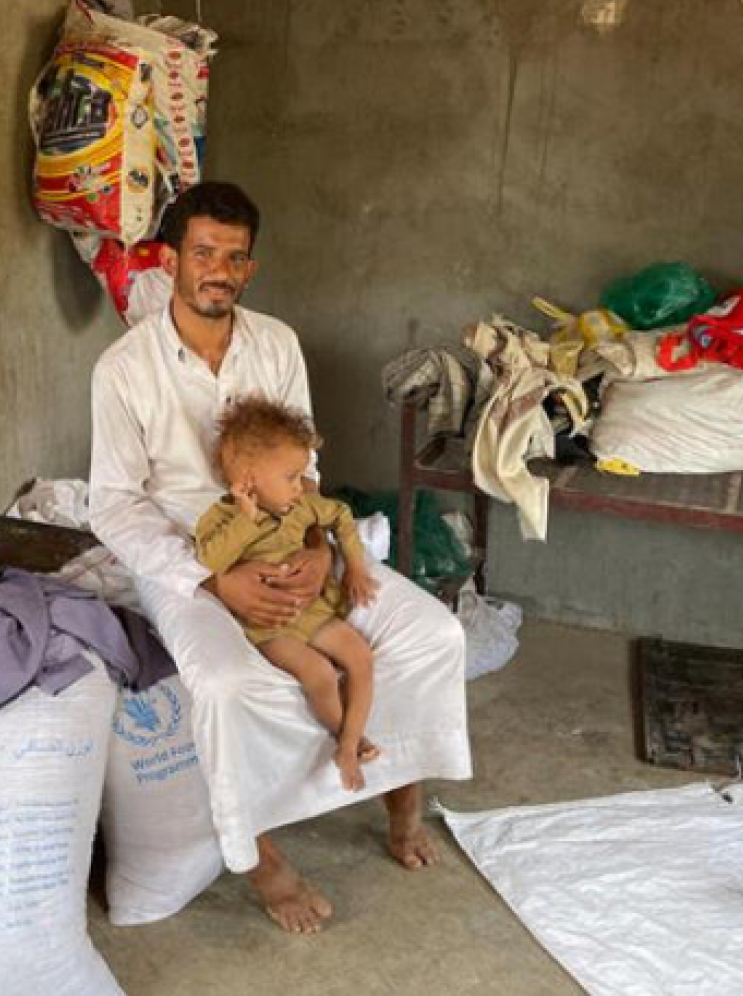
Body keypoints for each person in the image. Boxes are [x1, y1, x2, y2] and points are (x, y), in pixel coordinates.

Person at [89, 180, 471, 935]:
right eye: (203, 253)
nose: (219, 271)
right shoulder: (124, 368)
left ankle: (401, 793)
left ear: (251, 267)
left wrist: (320, 549)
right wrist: (214, 580)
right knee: (226, 686)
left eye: (234, 257)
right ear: (170, 261)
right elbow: (114, 504)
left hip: (296, 541)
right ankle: (261, 860)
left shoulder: (277, 343)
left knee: (435, 635)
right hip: (189, 556)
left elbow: (307, 470)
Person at [195, 395, 380, 791]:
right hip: (269, 626)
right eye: (292, 477)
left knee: (361, 656)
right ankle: (346, 740)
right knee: (319, 673)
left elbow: (341, 515)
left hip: (311, 610)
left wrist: (355, 566)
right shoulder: (220, 519)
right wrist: (247, 519)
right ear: (248, 481)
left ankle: (349, 743)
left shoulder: (301, 507)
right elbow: (212, 559)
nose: (301, 486)